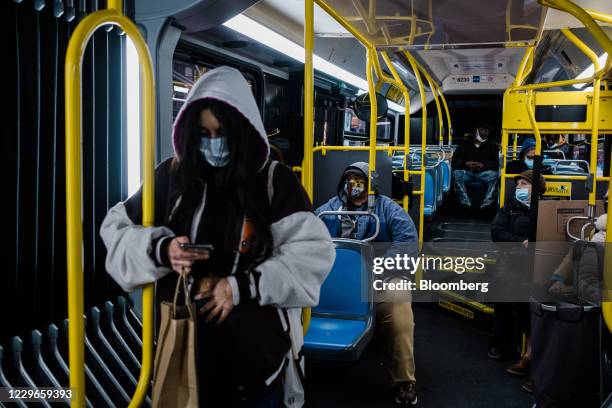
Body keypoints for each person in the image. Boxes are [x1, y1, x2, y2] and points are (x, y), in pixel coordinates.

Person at [100, 66, 335, 407]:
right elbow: (115, 229)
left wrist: (242, 286)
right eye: (203, 134)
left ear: (241, 131)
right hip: (185, 352)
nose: (213, 144)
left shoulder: (274, 182)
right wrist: (162, 249)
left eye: (221, 133)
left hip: (254, 364)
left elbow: (312, 256)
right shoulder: (171, 177)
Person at [315, 162, 419, 406]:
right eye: (349, 177)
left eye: (359, 177)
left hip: (382, 279)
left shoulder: (388, 209)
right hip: (336, 281)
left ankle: (404, 380)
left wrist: (379, 269)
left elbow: (407, 242)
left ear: (370, 182)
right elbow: (308, 232)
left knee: (399, 311)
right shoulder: (329, 209)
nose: (354, 182)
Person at [490, 170, 546, 393]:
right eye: (519, 184)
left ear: (536, 188)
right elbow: (496, 231)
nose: (520, 187)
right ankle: (499, 343)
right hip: (509, 259)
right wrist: (518, 242)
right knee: (502, 299)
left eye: (525, 183)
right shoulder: (509, 207)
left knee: (526, 302)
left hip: (534, 264)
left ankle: (529, 355)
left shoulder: (544, 209)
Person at [451, 125, 499, 208]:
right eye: (482, 130)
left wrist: (483, 164)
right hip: (467, 172)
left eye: (486, 130)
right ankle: (465, 201)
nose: (484, 132)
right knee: (456, 173)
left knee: (495, 175)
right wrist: (465, 163)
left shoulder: (492, 146)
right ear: (476, 131)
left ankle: (488, 202)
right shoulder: (464, 144)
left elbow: (496, 162)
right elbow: (455, 159)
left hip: (484, 173)